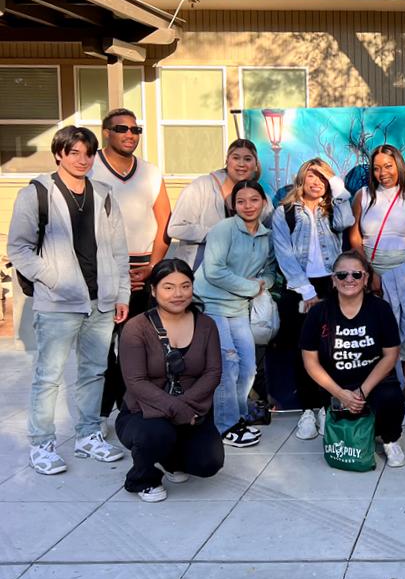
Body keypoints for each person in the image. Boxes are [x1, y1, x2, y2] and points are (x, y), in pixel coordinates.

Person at [7, 125, 129, 475]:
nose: (82, 159)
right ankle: (41, 444)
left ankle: (88, 435)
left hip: (101, 300)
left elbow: (118, 251)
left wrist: (121, 293)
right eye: (73, 152)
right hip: (58, 302)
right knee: (49, 376)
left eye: (88, 153)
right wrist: (55, 279)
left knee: (94, 372)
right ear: (59, 153)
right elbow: (19, 248)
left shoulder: (104, 194)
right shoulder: (37, 193)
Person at [116, 259, 224, 503]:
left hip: (191, 410)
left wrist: (185, 406)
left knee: (209, 463)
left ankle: (170, 460)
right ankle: (142, 478)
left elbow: (213, 372)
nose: (178, 294)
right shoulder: (136, 327)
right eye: (169, 287)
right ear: (153, 290)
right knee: (157, 434)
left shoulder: (206, 325)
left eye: (185, 286)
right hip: (144, 413)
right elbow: (136, 381)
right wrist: (179, 410)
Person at [90, 108, 172, 433]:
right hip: (100, 271)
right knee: (98, 350)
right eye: (121, 128)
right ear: (106, 132)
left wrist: (152, 267)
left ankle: (131, 408)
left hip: (142, 272)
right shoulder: (90, 166)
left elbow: (165, 221)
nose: (129, 134)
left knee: (136, 348)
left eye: (135, 129)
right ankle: (96, 415)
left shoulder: (150, 172)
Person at [272, 159, 355, 440]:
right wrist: (307, 292)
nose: (317, 182)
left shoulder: (334, 208)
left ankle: (325, 405)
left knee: (330, 347)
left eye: (323, 177)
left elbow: (347, 222)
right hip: (300, 287)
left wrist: (337, 185)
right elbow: (283, 254)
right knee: (304, 349)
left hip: (333, 284)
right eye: (312, 176)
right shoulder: (284, 212)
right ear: (301, 179)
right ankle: (308, 409)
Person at [300, 250, 405, 467]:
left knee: (391, 397)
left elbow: (390, 355)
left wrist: (361, 392)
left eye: (356, 275)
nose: (349, 280)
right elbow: (310, 361)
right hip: (336, 385)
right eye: (342, 275)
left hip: (374, 383)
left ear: (366, 278)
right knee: (346, 419)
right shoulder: (319, 312)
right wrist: (341, 394)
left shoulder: (380, 309)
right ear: (333, 280)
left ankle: (390, 440)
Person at [194, 180, 277, 447]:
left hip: (239, 306)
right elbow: (214, 270)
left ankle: (238, 416)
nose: (248, 206)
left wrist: (263, 284)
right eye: (241, 201)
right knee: (227, 363)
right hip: (211, 303)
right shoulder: (223, 229)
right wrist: (252, 287)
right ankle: (225, 426)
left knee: (248, 365)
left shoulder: (266, 235)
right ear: (233, 205)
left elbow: (271, 272)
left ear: (263, 202)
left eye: (254, 200)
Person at [349, 144, 405, 395]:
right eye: (376, 168)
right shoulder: (362, 196)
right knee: (374, 334)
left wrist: (401, 276)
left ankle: (401, 398)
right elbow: (354, 237)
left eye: (388, 166)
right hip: (370, 271)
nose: (382, 172)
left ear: (399, 166)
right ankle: (375, 394)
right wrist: (369, 274)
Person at [168, 139, 273, 270]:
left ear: (255, 165)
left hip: (240, 276)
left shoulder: (263, 199)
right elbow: (176, 227)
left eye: (247, 159)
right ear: (227, 161)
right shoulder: (201, 186)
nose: (241, 164)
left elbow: (269, 234)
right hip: (197, 272)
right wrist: (219, 234)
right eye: (236, 158)